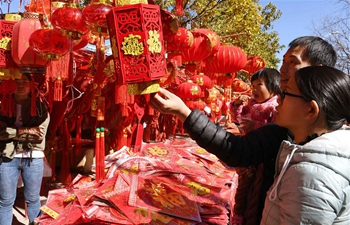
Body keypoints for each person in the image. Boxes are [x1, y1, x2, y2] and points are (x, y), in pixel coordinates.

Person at [150, 36, 337, 225]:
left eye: (292, 62)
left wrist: (184, 112)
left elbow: (238, 150)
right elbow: (241, 148)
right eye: (283, 62)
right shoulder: (295, 134)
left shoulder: (313, 171)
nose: (282, 70)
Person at [261, 66, 350, 224]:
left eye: (286, 93)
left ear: (310, 110)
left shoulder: (311, 175)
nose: (278, 99)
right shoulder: (330, 153)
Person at [0, 74, 50, 225]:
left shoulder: (40, 108)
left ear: (31, 85)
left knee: (33, 199)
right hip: (8, 157)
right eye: (16, 81)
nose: (20, 85)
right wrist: (27, 131)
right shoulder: (2, 105)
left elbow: (39, 137)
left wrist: (13, 133)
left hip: (33, 156)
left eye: (24, 81)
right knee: (6, 201)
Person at [231, 68, 281, 133]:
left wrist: (254, 125)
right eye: (253, 86)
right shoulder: (252, 103)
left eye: (259, 84)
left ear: (274, 88)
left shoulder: (276, 106)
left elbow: (275, 129)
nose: (254, 89)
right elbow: (237, 119)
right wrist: (237, 104)